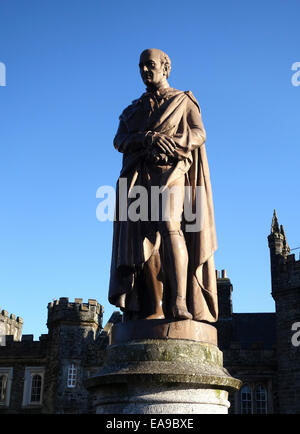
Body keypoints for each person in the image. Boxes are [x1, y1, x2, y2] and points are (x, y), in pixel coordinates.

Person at [108, 48, 218, 323]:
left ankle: (180, 301)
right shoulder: (131, 111)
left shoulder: (183, 100)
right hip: (138, 175)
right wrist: (146, 138)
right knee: (141, 241)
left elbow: (199, 132)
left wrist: (174, 144)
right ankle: (151, 307)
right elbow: (119, 141)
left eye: (151, 65)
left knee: (171, 227)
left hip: (172, 172)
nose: (145, 70)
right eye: (141, 66)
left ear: (166, 68)